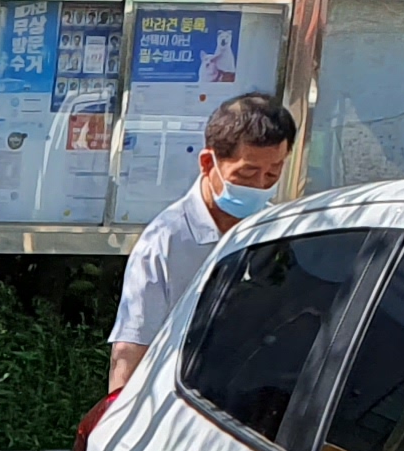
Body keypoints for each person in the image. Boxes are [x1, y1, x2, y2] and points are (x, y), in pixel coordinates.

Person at [105, 92, 298, 399]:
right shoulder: (166, 241)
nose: (262, 184)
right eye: (247, 173)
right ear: (209, 163)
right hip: (181, 406)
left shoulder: (279, 230)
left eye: (273, 173)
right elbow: (132, 349)